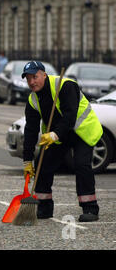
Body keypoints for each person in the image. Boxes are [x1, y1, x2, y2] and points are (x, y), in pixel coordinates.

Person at [21, 61, 102, 222]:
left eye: (35, 77)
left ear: (44, 75)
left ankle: (90, 209)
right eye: (28, 79)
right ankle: (44, 207)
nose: (31, 82)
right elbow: (30, 131)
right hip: (58, 135)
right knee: (42, 163)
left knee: (81, 164)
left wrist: (54, 135)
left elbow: (70, 116)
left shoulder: (65, 85)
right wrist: (27, 160)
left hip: (82, 131)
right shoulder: (32, 100)